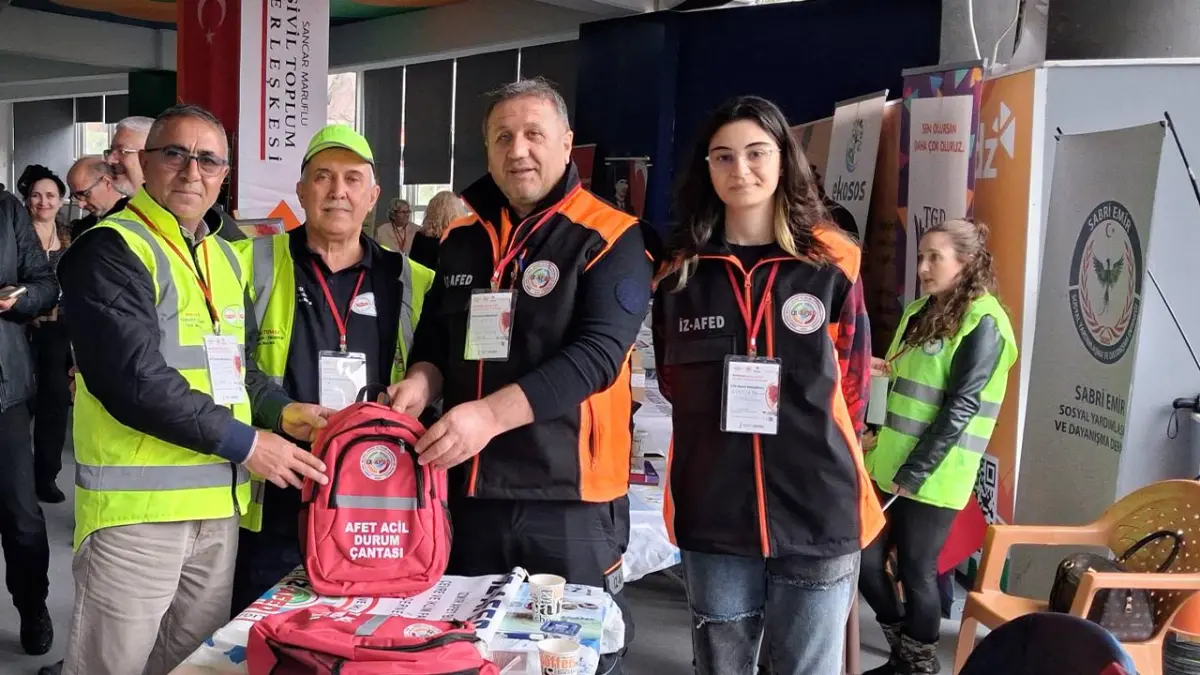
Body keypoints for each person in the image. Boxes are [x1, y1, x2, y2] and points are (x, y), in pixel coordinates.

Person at [52, 103, 331, 675]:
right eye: (175, 154)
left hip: (216, 514)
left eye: (208, 159)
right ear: (145, 165)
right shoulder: (109, 249)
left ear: (224, 175)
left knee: (191, 666)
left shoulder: (222, 257)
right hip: (136, 520)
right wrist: (251, 445)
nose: (191, 171)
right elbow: (134, 381)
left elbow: (238, 370)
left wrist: (283, 413)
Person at [387, 77, 651, 674]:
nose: (518, 150)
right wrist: (421, 383)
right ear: (487, 151)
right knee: (464, 653)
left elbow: (597, 357)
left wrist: (485, 415)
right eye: (503, 137)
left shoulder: (611, 236)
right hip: (468, 491)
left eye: (535, 134)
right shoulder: (459, 239)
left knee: (570, 658)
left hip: (569, 500)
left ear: (567, 145)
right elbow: (435, 343)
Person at [650, 96, 882, 675]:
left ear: (785, 160)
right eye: (723, 157)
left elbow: (852, 389)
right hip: (715, 510)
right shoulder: (679, 273)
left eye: (757, 153)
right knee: (721, 668)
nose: (741, 170)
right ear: (707, 168)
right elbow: (676, 385)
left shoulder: (833, 264)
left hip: (818, 509)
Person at [231, 124, 435, 612]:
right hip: (278, 485)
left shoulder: (415, 281)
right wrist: (280, 412)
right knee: (261, 632)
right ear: (301, 191)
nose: (337, 191)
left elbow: (436, 368)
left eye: (352, 178)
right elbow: (227, 365)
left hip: (378, 499)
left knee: (363, 634)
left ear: (373, 196)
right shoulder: (245, 262)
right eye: (322, 177)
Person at [858, 218, 1017, 675]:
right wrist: (877, 374)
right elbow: (907, 380)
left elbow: (961, 407)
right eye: (921, 256)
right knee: (866, 562)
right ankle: (902, 647)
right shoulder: (920, 309)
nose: (923, 267)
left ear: (966, 263)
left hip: (936, 473)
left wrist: (917, 470)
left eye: (935, 258)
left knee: (916, 570)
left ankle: (917, 665)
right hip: (887, 460)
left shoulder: (984, 321)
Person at [0, 179, 59, 657]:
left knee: (20, 515)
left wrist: (19, 299)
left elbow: (44, 283)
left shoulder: (6, 210)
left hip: (5, 391)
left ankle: (32, 607)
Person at [16, 164, 73, 504]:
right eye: (36, 195)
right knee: (20, 407)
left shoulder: (70, 237)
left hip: (59, 334)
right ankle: (16, 478)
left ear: (61, 200)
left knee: (54, 407)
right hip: (20, 330)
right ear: (27, 199)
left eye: (50, 195)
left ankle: (46, 477)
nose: (43, 201)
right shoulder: (16, 236)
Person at [66, 156, 131, 239]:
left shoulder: (137, 219)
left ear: (107, 182)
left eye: (85, 194)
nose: (80, 205)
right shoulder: (79, 230)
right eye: (76, 197)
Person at [409, 190, 465, 270]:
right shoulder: (457, 239)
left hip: (423, 280)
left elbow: (413, 266)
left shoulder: (420, 237)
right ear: (455, 213)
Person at [104, 115, 155, 196]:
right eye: (111, 151)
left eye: (121, 151)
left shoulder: (175, 206)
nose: (109, 160)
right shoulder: (121, 207)